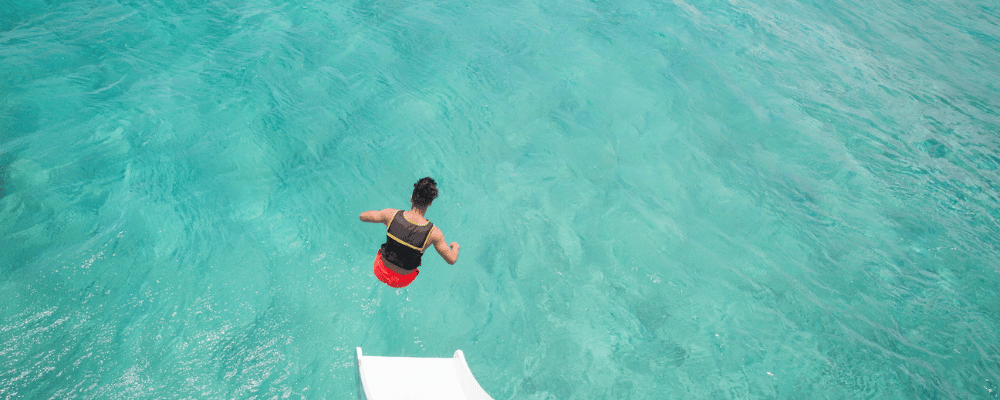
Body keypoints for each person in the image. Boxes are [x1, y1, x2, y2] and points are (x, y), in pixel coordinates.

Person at [359, 177, 459, 288]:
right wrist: (455, 247)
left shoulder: (391, 215)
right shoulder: (434, 233)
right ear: (430, 203)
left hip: (380, 270)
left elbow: (363, 216)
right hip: (402, 281)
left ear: (411, 198)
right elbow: (451, 260)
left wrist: (385, 219)